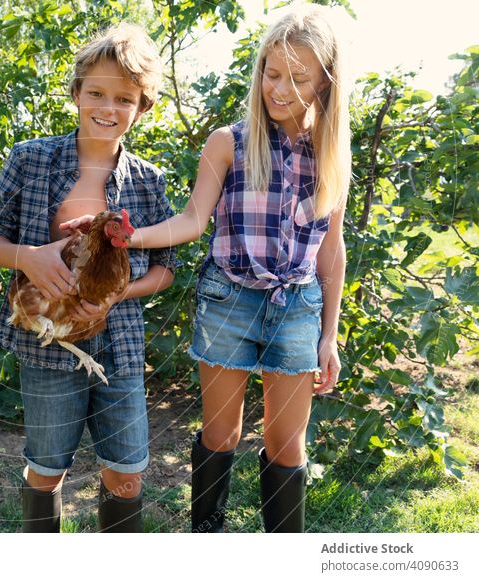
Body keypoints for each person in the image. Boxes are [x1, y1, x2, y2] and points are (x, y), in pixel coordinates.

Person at [61, 4, 350, 533]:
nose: (279, 88)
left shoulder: (331, 154)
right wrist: (129, 236)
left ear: (326, 84)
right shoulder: (231, 142)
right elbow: (194, 219)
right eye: (272, 72)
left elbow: (331, 251)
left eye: (298, 78)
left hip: (297, 306)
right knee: (223, 435)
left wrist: (329, 335)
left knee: (287, 444)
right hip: (229, 301)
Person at [0, 23, 176, 533]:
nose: (107, 108)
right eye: (96, 92)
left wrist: (113, 296)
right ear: (75, 93)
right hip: (48, 342)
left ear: (142, 108)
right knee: (46, 471)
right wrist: (29, 257)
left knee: (127, 473)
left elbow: (166, 271)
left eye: (124, 98)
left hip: (121, 341)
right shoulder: (30, 160)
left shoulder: (148, 180)